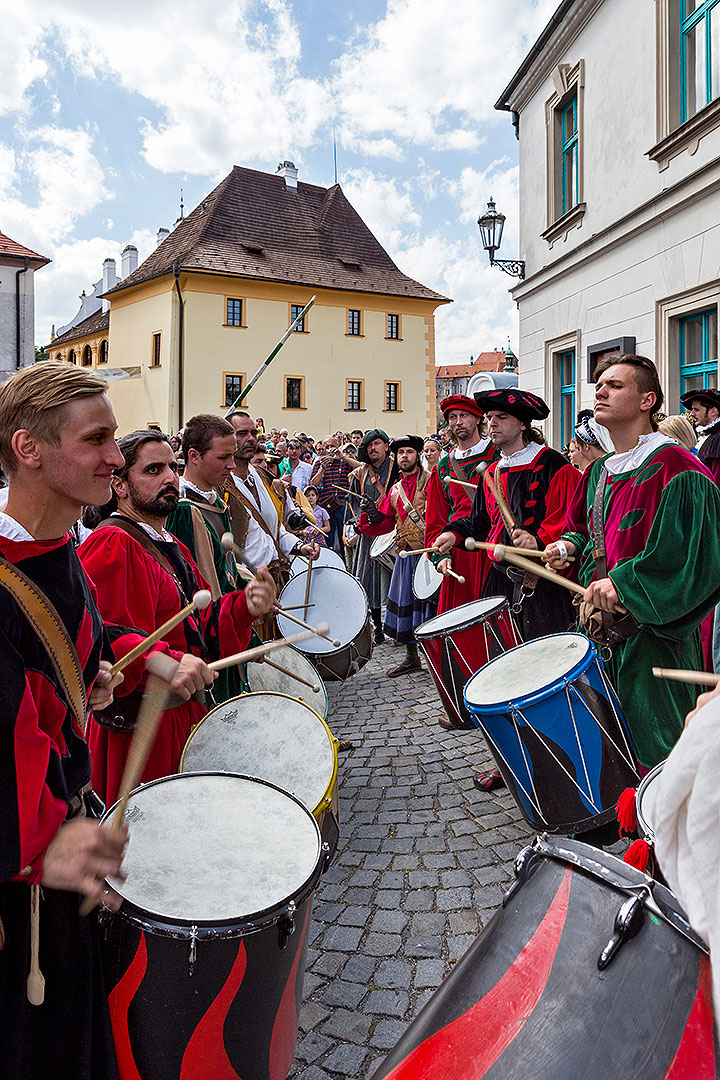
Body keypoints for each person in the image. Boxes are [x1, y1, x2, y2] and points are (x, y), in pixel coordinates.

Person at [0, 361, 131, 1080]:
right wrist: (33, 847)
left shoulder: (60, 548)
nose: (116, 455)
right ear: (30, 449)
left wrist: (91, 680)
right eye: (98, 438)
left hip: (59, 871)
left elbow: (55, 654)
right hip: (19, 901)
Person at [79, 430, 276, 804]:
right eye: (153, 469)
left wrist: (245, 605)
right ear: (119, 484)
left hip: (181, 716)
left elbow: (199, 624)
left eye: (173, 466)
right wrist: (165, 663)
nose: (170, 477)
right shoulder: (113, 543)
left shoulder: (168, 543)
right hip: (141, 731)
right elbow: (104, 638)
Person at [545, 355, 720, 769]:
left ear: (647, 400)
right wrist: (566, 548)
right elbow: (584, 532)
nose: (600, 392)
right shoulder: (600, 471)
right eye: (599, 384)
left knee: (665, 755)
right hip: (598, 635)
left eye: (615, 385)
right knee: (611, 751)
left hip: (653, 642)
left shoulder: (677, 466)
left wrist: (624, 583)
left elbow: (696, 556)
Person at [436, 389, 580, 640]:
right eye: (490, 417)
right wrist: (454, 534)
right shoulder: (492, 472)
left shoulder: (551, 464)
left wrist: (539, 541)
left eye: (501, 417)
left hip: (543, 583)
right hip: (499, 581)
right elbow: (480, 524)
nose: (492, 423)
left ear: (523, 424)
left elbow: (568, 520)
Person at [357, 436, 432, 676]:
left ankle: (436, 658)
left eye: (409, 452)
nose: (405, 457)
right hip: (405, 556)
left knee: (431, 608)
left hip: (430, 555)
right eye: (401, 453)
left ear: (417, 455)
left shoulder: (431, 483)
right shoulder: (395, 490)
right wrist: (371, 515)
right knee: (408, 609)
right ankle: (411, 658)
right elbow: (386, 522)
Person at [225, 412, 318, 595]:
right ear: (227, 439)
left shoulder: (262, 476)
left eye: (253, 433)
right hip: (244, 589)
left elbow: (273, 531)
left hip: (274, 578)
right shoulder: (220, 486)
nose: (251, 438)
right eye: (242, 433)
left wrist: (300, 546)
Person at [426, 395, 497, 615]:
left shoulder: (497, 454)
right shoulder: (443, 467)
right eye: (453, 417)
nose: (458, 422)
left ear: (478, 419)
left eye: (464, 415)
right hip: (459, 551)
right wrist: (440, 555)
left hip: (494, 547)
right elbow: (435, 521)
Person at [166, 414, 238, 597]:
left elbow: (227, 571)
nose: (232, 465)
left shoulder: (214, 500)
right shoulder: (183, 510)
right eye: (223, 457)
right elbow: (193, 585)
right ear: (194, 456)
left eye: (233, 456)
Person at [345, 429, 395, 644]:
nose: (372, 448)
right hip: (369, 533)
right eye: (369, 445)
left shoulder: (397, 469)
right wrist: (358, 523)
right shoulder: (360, 473)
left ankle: (400, 627)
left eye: (376, 443)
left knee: (397, 580)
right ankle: (377, 630)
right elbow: (353, 503)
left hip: (395, 530)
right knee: (369, 580)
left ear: (385, 445)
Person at [310, 435, 354, 553]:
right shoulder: (319, 463)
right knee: (327, 539)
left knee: (343, 538)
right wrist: (322, 468)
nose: (330, 449)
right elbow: (313, 484)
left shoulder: (344, 462)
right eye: (327, 447)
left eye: (332, 446)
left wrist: (343, 456)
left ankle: (345, 564)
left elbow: (361, 468)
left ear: (338, 446)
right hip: (326, 507)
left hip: (343, 505)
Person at [680, 387, 720, 483]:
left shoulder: (718, 439)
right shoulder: (705, 436)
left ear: (713, 412)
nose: (692, 414)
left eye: (696, 410)